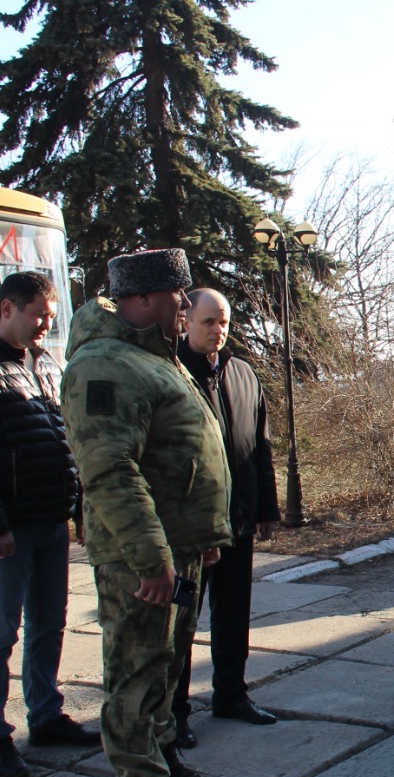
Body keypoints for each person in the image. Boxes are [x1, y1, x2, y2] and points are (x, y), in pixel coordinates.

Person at [60, 248, 232, 777]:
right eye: (175, 295)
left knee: (166, 667)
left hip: (177, 549)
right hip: (142, 559)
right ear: (140, 300)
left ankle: (164, 766)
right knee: (136, 674)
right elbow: (110, 472)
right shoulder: (105, 365)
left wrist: (200, 539)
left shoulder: (149, 356)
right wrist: (153, 558)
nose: (184, 305)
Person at [0, 271, 97, 777]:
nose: (44, 327)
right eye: (38, 317)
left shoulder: (46, 364)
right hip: (6, 528)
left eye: (51, 319)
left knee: (49, 625)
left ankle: (45, 716)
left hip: (49, 520)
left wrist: (75, 511)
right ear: (8, 308)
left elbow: (60, 440)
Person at [169, 288, 281, 749]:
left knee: (233, 613)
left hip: (238, 519)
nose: (218, 330)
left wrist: (267, 509)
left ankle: (230, 694)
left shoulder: (242, 375)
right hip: (192, 525)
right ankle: (173, 712)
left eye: (224, 322)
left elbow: (260, 447)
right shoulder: (170, 373)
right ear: (185, 322)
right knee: (182, 621)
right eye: (208, 321)